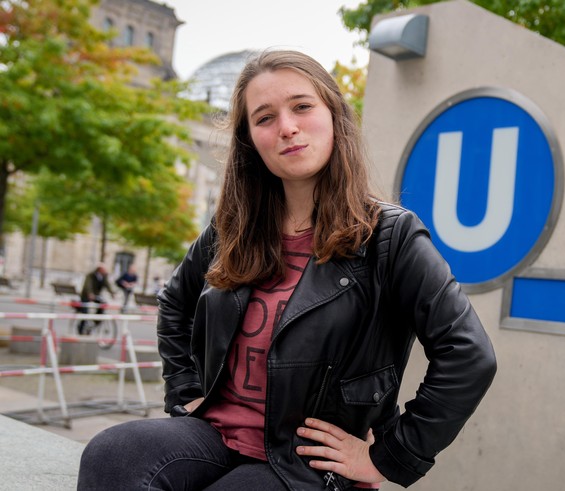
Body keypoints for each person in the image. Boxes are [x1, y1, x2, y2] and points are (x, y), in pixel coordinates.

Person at [78, 50, 497, 490]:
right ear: (250, 140)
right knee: (112, 454)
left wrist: (390, 456)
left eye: (301, 106)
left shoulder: (389, 236)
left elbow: (468, 355)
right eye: (264, 118)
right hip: (215, 434)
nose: (287, 128)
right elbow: (174, 305)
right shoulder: (231, 230)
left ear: (333, 115)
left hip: (304, 459)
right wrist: (185, 393)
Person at [76, 263, 114, 335]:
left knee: (103, 305)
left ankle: (95, 320)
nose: (105, 271)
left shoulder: (104, 276)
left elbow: (108, 285)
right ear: (99, 270)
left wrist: (112, 293)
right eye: (104, 270)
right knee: (85, 312)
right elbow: (88, 285)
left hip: (96, 296)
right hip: (86, 295)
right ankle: (81, 328)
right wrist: (90, 293)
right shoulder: (91, 275)